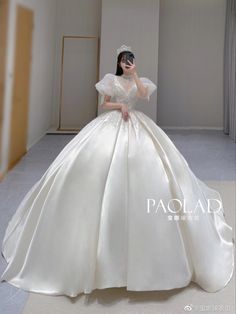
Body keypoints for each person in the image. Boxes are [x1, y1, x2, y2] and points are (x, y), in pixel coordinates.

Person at [0, 44, 234, 298]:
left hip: (136, 124)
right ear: (118, 62)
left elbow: (144, 95)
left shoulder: (138, 80)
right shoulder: (110, 80)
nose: (126, 62)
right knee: (92, 167)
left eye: (130, 60)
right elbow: (104, 104)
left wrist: (134, 76)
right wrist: (119, 107)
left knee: (153, 170)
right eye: (123, 60)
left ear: (133, 62)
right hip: (112, 123)